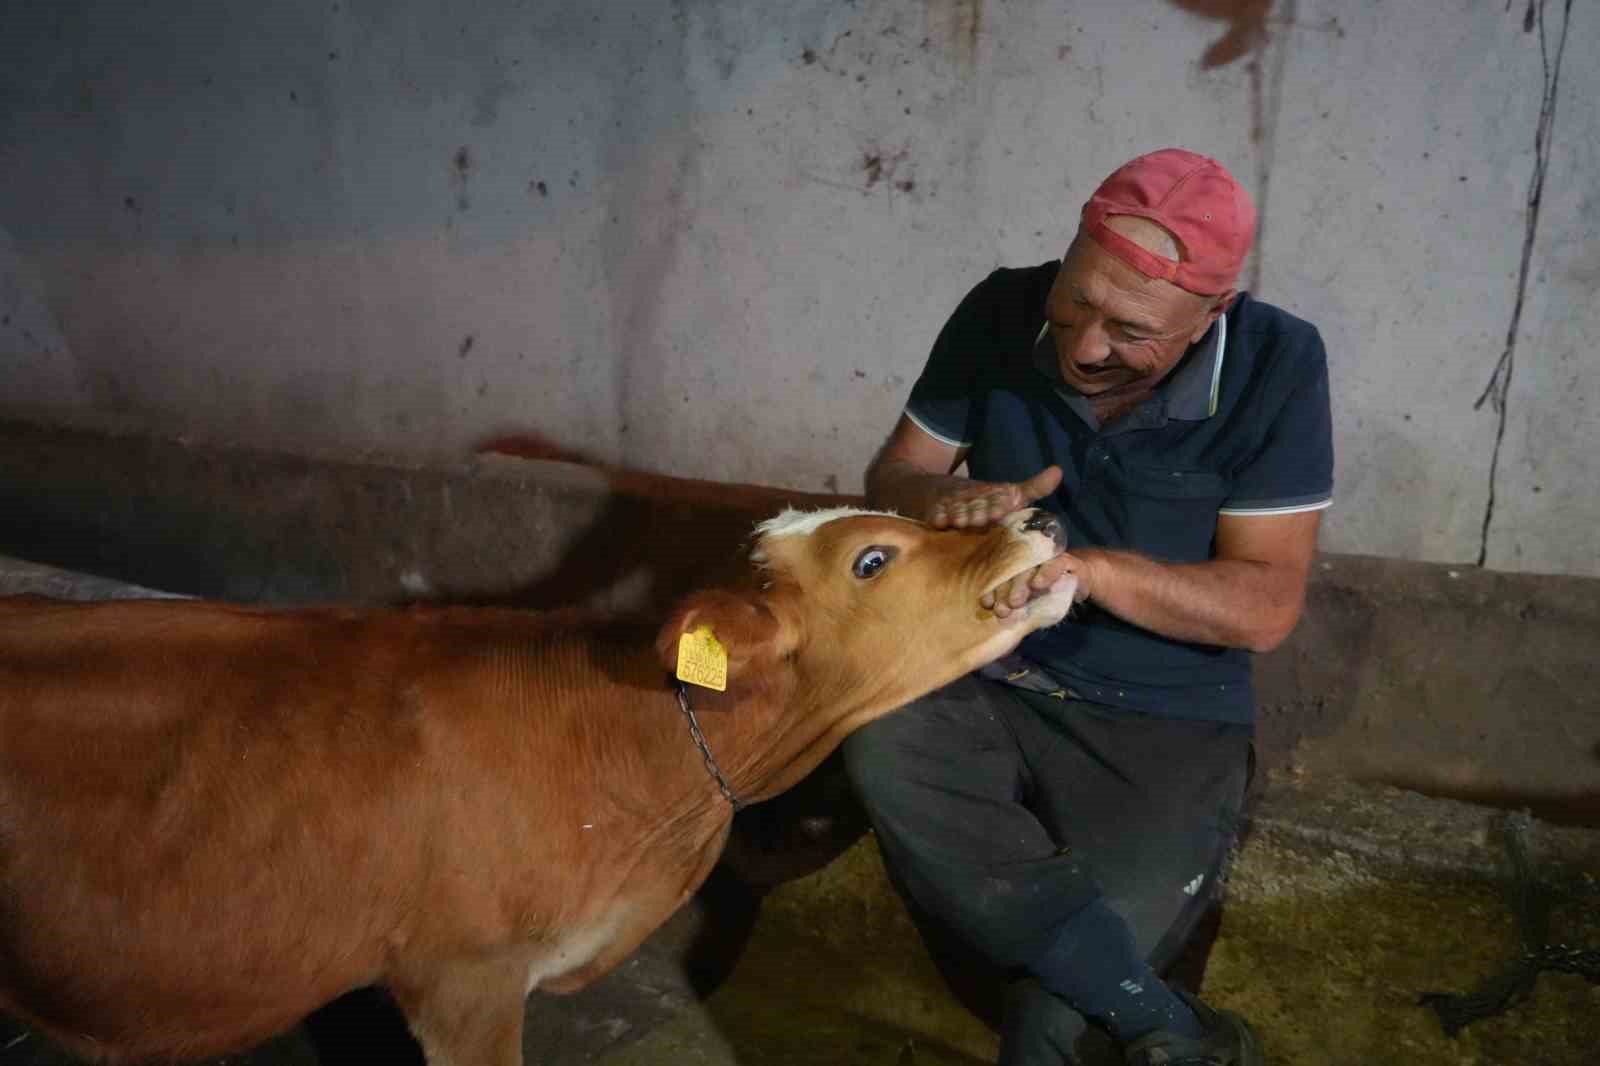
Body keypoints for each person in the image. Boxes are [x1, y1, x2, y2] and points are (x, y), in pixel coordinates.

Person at [844, 148, 1333, 1065]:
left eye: (1130, 328)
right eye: (1074, 302)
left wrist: (1094, 572)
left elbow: (1266, 604)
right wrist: (936, 501)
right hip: (980, 675)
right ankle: (1167, 1021)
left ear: (1209, 316)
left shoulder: (1279, 363)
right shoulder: (999, 306)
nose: (1085, 346)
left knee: (1050, 1029)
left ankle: (1129, 1003)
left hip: (1164, 720)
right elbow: (894, 474)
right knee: (874, 732)